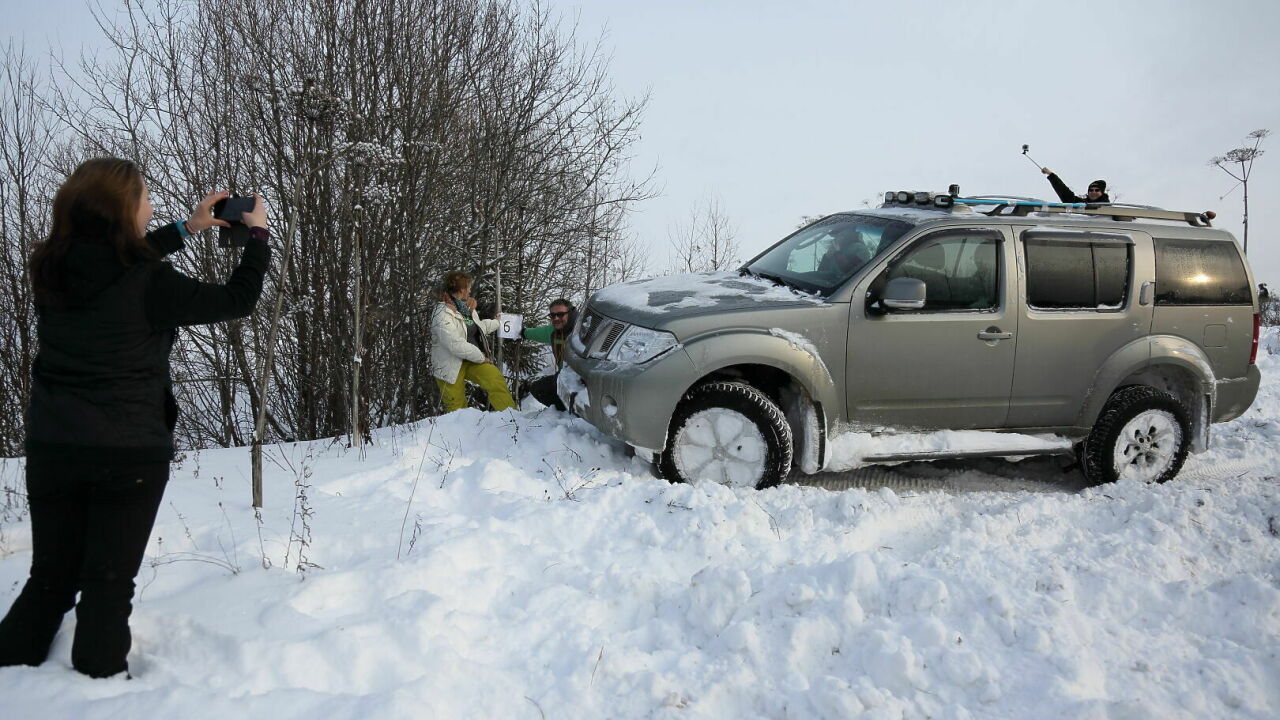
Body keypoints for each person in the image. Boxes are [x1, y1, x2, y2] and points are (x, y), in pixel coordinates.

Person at [0, 157, 271, 678]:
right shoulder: (148, 282)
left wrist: (186, 229)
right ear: (122, 209)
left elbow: (112, 269)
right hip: (126, 455)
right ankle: (96, 694)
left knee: (50, 580)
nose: (151, 205)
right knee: (107, 584)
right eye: (144, 198)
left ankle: (12, 679)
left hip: (53, 447)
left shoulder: (51, 269)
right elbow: (238, 299)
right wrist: (256, 239)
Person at [430, 271, 516, 413]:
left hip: (471, 359)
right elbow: (455, 344)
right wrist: (481, 357)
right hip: (450, 365)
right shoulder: (441, 313)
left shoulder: (465, 308)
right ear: (462, 290)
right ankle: (459, 435)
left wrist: (497, 323)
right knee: (456, 408)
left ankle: (512, 420)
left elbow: (478, 328)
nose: (470, 290)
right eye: (468, 287)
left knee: (495, 379)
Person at [519, 298, 577, 411]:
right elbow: (537, 333)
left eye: (560, 314)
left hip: (583, 382)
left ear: (569, 313)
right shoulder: (554, 332)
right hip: (563, 378)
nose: (556, 318)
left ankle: (574, 413)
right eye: (552, 315)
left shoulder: (582, 331)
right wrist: (522, 332)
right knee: (539, 388)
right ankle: (564, 412)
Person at [1041, 168, 1110, 204]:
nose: (1093, 192)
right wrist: (1051, 175)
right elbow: (1065, 193)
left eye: (1097, 190)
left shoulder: (1107, 208)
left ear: (1102, 193)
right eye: (1091, 190)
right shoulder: (1081, 204)